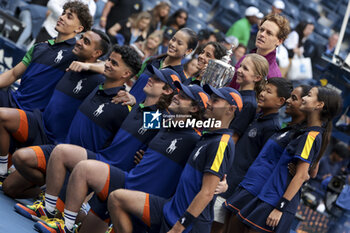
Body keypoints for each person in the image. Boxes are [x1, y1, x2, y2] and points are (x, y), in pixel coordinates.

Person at [34, 84, 209, 233]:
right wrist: (133, 101)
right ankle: (66, 225)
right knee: (83, 169)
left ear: (194, 109)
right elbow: (136, 118)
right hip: (127, 180)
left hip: (143, 199)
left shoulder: (195, 140)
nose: (177, 97)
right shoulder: (165, 120)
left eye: (184, 97)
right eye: (178, 93)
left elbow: (203, 170)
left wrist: (220, 185)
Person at [14, 66, 180, 223]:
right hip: (104, 157)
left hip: (119, 170)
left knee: (87, 221)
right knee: (61, 152)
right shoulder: (136, 106)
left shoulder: (161, 119)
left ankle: (69, 221)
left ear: (167, 91)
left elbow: (183, 128)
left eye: (157, 80)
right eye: (152, 76)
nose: (150, 79)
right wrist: (134, 101)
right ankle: (47, 209)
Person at [3, 45, 141, 201]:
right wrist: (89, 65)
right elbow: (99, 64)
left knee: (76, 215)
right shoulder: (94, 84)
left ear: (126, 73)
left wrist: (135, 103)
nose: (108, 64)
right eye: (109, 60)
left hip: (81, 166)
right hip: (57, 151)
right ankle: (47, 188)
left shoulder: (126, 105)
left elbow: (151, 128)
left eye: (114, 63)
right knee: (10, 184)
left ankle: (56, 200)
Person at [107, 85, 243, 233]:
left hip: (186, 223)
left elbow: (207, 192)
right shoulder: (200, 131)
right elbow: (144, 118)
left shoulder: (205, 138)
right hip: (168, 207)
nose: (209, 103)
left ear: (231, 109)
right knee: (115, 198)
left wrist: (179, 227)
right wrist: (136, 102)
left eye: (215, 100)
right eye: (210, 99)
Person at [0, 29, 110, 180]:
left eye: (86, 41)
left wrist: (89, 66)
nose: (79, 42)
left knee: (12, 185)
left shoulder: (99, 80)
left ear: (96, 53)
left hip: (56, 142)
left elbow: (112, 71)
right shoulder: (70, 59)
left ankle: (47, 187)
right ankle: (3, 170)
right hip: (39, 123)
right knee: (3, 118)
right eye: (81, 38)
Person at [237, 86, 342, 233]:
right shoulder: (306, 133)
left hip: (277, 202)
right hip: (269, 197)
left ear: (319, 105)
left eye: (309, 95)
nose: (304, 98)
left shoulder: (310, 137)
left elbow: (301, 175)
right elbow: (307, 173)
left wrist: (280, 208)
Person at [223, 85, 313, 233]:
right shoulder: (287, 130)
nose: (289, 101)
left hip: (258, 191)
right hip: (247, 185)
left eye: (294, 99)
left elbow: (307, 170)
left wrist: (304, 173)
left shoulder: (302, 136)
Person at [221, 78, 293, 223]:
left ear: (280, 101)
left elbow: (261, 160)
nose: (262, 93)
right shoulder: (258, 117)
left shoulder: (272, 127)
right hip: (226, 173)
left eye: (268, 91)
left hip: (233, 184)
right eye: (263, 89)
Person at [0, 1, 92, 112]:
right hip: (13, 99)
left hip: (30, 114)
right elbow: (13, 74)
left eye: (69, 17)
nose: (61, 17)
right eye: (63, 13)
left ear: (78, 29)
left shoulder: (76, 54)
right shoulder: (39, 47)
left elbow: (103, 65)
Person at [130, 27, 198, 103]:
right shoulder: (152, 60)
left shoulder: (180, 80)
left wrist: (135, 104)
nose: (173, 44)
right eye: (173, 39)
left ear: (188, 51)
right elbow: (135, 81)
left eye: (179, 43)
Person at [228, 13, 290, 90]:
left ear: (279, 41)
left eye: (269, 33)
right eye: (261, 30)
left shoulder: (273, 75)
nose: (262, 34)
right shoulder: (245, 57)